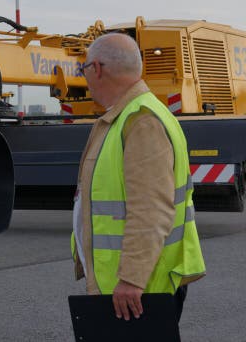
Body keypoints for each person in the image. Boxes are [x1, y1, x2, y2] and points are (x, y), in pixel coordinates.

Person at [72, 32, 205, 324]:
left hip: (140, 289)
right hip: (135, 283)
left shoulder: (141, 120)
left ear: (97, 69)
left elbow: (151, 209)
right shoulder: (126, 116)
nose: (85, 78)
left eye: (83, 70)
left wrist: (132, 279)